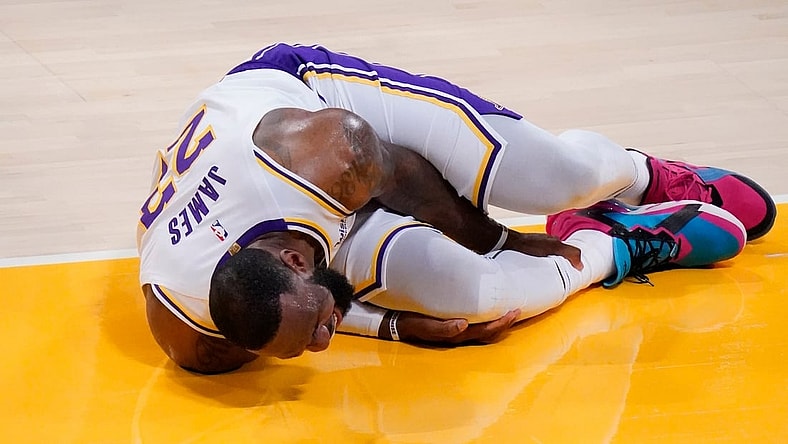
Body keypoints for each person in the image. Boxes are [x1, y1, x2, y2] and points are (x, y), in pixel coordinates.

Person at [137, 43, 776, 374]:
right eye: (312, 343)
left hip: (322, 102)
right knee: (471, 299)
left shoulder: (317, 159)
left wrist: (496, 239)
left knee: (553, 177)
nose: (327, 341)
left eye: (320, 326)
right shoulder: (192, 332)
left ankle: (635, 177)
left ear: (298, 259)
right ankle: (616, 246)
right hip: (305, 211)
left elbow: (402, 172)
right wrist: (389, 326)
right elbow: (293, 317)